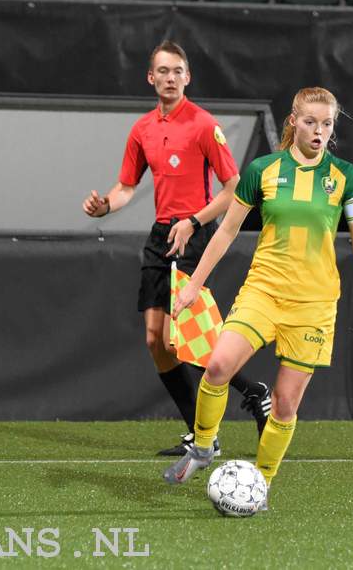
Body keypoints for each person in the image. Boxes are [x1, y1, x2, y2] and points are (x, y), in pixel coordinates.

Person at [162, 87, 353, 505]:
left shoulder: (346, 177)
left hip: (314, 304)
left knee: (285, 405)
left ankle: (261, 483)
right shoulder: (263, 170)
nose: (319, 131)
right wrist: (195, 283)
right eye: (310, 122)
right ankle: (203, 445)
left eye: (327, 124)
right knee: (217, 365)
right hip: (263, 291)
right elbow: (229, 229)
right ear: (292, 121)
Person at [82, 41, 271, 456]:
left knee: (183, 338)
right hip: (161, 235)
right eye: (162, 71)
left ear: (188, 77)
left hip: (194, 232)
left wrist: (194, 221)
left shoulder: (204, 125)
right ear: (150, 78)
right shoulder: (143, 129)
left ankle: (253, 391)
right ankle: (202, 435)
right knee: (155, 340)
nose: (170, 78)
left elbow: (234, 189)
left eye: (177, 71)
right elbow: (127, 187)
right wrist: (105, 207)